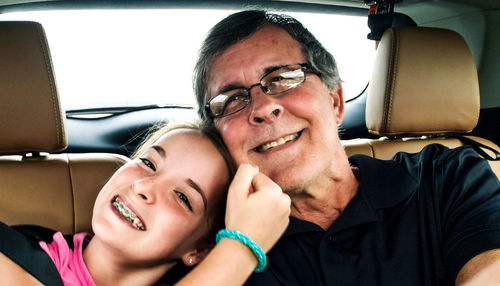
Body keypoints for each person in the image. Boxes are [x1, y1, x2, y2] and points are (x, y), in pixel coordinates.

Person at [193, 9, 500, 285]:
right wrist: (236, 251)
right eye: (231, 98)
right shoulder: (218, 251)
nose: (262, 108)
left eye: (283, 78)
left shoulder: (448, 177)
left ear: (335, 101)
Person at [0, 121, 291, 285]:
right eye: (149, 163)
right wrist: (243, 247)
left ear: (200, 251)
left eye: (182, 197)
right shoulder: (10, 255)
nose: (143, 186)